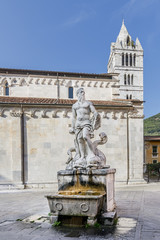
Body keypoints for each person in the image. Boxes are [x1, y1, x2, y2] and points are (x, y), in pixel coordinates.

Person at [69, 88, 100, 167]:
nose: (82, 94)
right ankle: (82, 157)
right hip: (78, 124)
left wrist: (96, 113)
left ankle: (92, 153)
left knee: (85, 136)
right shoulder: (75, 105)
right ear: (77, 94)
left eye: (83, 93)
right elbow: (73, 117)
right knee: (79, 140)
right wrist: (72, 127)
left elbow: (93, 111)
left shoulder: (88, 103)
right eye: (81, 93)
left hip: (86, 123)